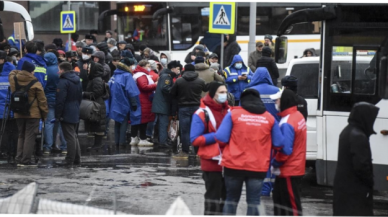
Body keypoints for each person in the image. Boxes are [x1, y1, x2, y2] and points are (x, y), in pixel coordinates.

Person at [215, 89, 284, 217]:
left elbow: (221, 138)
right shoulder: (269, 118)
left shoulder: (233, 114)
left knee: (231, 200)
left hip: (233, 165)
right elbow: (279, 143)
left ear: (242, 101)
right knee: (254, 202)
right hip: (257, 167)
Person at [333, 102, 379, 217]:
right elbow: (361, 165)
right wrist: (370, 182)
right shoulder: (358, 136)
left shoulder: (347, 131)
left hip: (344, 189)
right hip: (356, 190)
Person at [191, 81, 230, 216]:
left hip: (230, 161)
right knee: (213, 197)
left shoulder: (230, 111)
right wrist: (216, 136)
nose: (225, 95)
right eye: (221, 92)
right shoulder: (202, 113)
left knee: (227, 197)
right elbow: (194, 139)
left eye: (225, 92)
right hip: (211, 161)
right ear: (213, 94)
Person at [245, 67, 281, 196]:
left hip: (256, 130)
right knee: (273, 159)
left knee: (259, 159)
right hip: (273, 129)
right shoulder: (277, 90)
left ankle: (263, 188)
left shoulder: (249, 91)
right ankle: (273, 187)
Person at [270, 89, 307, 217]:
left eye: (277, 100)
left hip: (288, 171)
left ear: (284, 101)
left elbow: (285, 150)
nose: (276, 102)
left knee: (290, 207)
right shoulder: (298, 116)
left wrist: (274, 163)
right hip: (295, 168)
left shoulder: (287, 122)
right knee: (287, 204)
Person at [9, 61, 48, 166]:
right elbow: (42, 101)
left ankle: (19, 158)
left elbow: (11, 72)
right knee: (30, 136)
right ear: (31, 71)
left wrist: (20, 71)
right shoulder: (36, 83)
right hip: (33, 114)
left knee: (21, 135)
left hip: (18, 112)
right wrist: (44, 115)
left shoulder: (14, 79)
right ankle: (26, 160)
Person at [170, 64, 205, 158]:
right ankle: (198, 152)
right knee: (197, 130)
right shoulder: (200, 81)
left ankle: (185, 152)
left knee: (185, 131)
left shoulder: (179, 80)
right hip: (197, 108)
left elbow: (172, 92)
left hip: (183, 107)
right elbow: (205, 89)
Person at [54, 62, 83, 168]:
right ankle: (77, 158)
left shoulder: (63, 82)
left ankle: (70, 159)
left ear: (62, 70)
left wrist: (58, 115)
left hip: (66, 111)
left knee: (69, 136)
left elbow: (60, 100)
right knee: (74, 135)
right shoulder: (77, 80)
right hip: (75, 109)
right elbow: (80, 96)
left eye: (59, 69)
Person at [108, 58, 139, 150]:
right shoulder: (127, 75)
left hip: (114, 102)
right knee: (123, 122)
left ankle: (117, 142)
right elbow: (131, 90)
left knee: (117, 122)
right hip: (124, 102)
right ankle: (122, 142)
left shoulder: (114, 75)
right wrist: (134, 103)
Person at [42, 52, 67, 155]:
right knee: (61, 122)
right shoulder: (59, 70)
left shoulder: (45, 70)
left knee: (49, 123)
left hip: (48, 99)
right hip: (60, 99)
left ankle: (48, 147)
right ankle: (64, 147)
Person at [151, 60, 180, 148]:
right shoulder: (166, 77)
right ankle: (162, 142)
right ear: (173, 69)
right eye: (177, 69)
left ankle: (162, 140)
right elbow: (165, 88)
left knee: (162, 123)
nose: (178, 71)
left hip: (161, 103)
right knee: (163, 123)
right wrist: (175, 91)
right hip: (163, 104)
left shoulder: (165, 75)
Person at [130, 60, 157, 146]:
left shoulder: (137, 74)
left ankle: (134, 138)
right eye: (148, 66)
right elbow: (144, 86)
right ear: (143, 66)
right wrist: (156, 85)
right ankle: (142, 139)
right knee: (143, 120)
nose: (149, 68)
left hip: (139, 99)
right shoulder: (142, 75)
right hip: (143, 100)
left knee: (136, 119)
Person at [83, 62, 107, 150]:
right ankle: (96, 144)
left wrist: (84, 94)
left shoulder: (96, 79)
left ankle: (98, 145)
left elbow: (97, 93)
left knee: (98, 125)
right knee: (97, 124)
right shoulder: (94, 78)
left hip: (97, 105)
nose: (88, 69)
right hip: (96, 104)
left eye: (90, 68)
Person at [0, 51, 17, 164]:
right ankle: (12, 152)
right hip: (12, 110)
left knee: (5, 132)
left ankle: (5, 152)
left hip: (4, 110)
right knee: (12, 132)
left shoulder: (4, 77)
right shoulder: (14, 77)